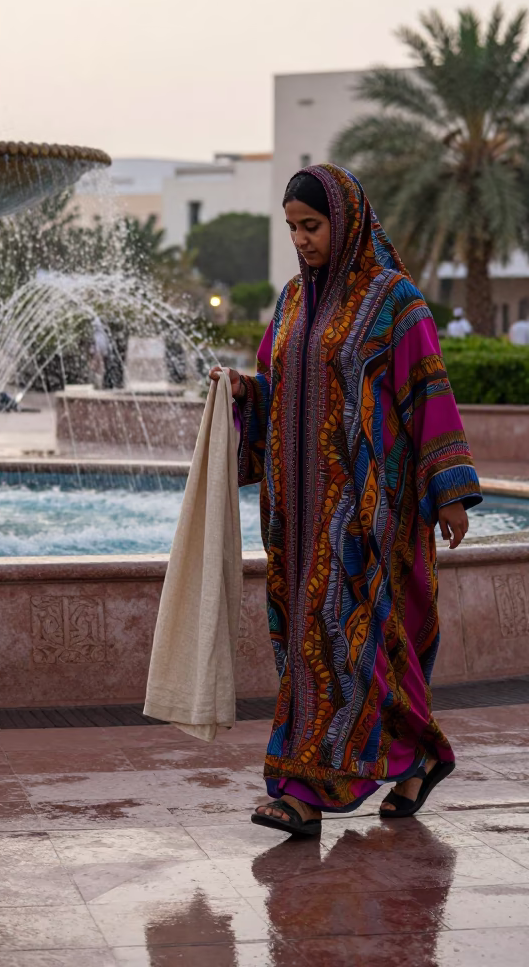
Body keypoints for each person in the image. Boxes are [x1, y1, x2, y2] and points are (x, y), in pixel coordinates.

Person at [209, 164, 481, 838]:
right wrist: (242, 391)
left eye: (313, 226)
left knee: (344, 637)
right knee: (332, 642)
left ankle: (305, 791)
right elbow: (275, 385)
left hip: (370, 512)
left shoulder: (397, 301)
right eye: (293, 228)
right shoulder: (292, 303)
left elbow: (428, 390)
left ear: (347, 221)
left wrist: (449, 492)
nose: (302, 240)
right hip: (299, 516)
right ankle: (419, 754)